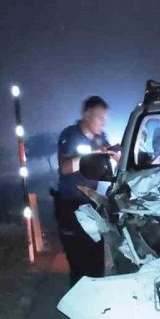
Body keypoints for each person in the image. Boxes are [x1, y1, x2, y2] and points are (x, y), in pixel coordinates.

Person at [53, 96, 119, 285]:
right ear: (87, 115)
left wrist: (116, 155)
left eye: (105, 118)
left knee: (97, 256)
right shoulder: (70, 135)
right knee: (78, 261)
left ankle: (95, 295)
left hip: (91, 204)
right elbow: (64, 167)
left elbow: (113, 159)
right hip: (71, 206)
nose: (103, 122)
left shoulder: (101, 137)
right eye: (100, 118)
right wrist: (93, 154)